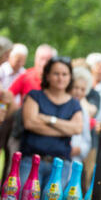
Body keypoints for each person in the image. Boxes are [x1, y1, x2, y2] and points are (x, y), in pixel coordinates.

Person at [18, 56, 83, 186]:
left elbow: (77, 128)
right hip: (32, 162)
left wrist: (50, 120)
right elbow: (30, 123)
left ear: (70, 77)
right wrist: (65, 129)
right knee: (26, 198)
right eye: (56, 74)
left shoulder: (74, 104)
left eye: (64, 74)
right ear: (47, 76)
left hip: (61, 165)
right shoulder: (34, 96)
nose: (60, 78)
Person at [70, 66, 95, 165]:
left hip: (75, 161)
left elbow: (87, 141)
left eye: (83, 89)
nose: (78, 92)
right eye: (76, 87)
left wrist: (79, 149)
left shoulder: (84, 111)